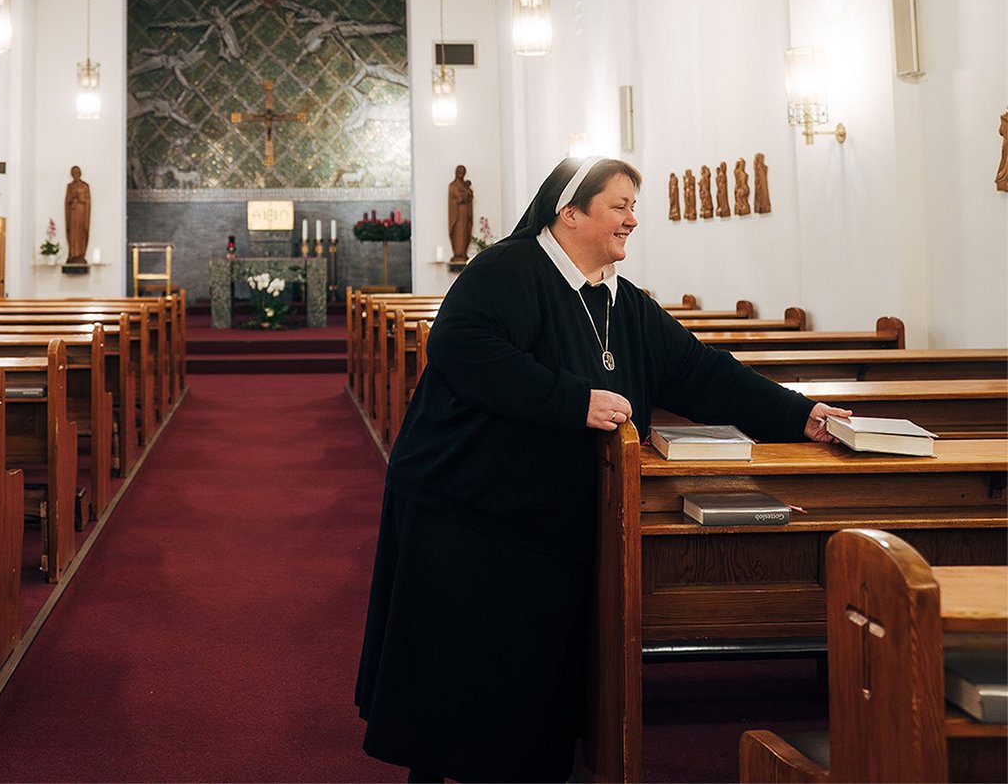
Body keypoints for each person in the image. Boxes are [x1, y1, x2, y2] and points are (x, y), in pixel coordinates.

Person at [354, 156, 847, 783]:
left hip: (550, 516)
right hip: (467, 506)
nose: (633, 221)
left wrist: (798, 415)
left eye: (632, 207)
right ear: (570, 212)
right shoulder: (509, 269)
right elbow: (462, 348)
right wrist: (572, 400)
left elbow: (702, 373)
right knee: (460, 668)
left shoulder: (624, 302)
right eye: (620, 206)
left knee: (531, 679)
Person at [448, 165, 474, 263]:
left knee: (465, 232)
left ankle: (463, 253)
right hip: (457, 216)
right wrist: (464, 196)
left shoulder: (465, 185)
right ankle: (458, 253)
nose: (460, 173)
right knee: (458, 233)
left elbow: (470, 196)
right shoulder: (453, 185)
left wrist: (467, 194)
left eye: (462, 171)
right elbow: (457, 198)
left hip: (465, 214)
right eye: (459, 171)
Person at [65, 165, 91, 264]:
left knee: (80, 232)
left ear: (80, 174)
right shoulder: (70, 186)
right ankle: (72, 253)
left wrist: (80, 199)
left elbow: (87, 201)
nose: (76, 175)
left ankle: (80, 253)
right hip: (72, 212)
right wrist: (72, 198)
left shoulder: (84, 186)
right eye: (74, 173)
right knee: (73, 233)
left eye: (77, 173)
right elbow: (67, 201)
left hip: (81, 212)